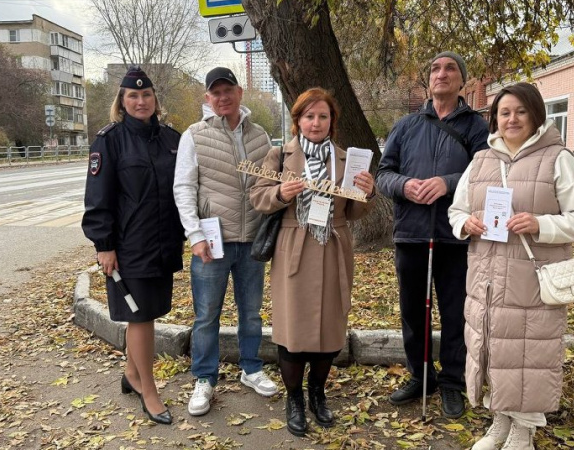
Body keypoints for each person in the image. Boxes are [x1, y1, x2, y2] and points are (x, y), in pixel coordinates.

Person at [448, 82, 574, 449]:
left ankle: (523, 431)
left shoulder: (558, 159)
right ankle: (499, 421)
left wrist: (540, 224)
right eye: (504, 112)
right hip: (486, 278)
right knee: (493, 349)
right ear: (494, 119)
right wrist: (466, 224)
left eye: (520, 111)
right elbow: (456, 210)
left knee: (528, 354)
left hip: (531, 279)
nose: (511, 119)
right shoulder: (481, 160)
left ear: (535, 114)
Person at [250, 88, 376, 437]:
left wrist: (367, 191)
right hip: (294, 244)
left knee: (330, 327)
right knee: (293, 327)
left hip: (334, 245)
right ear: (298, 121)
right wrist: (280, 193)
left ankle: (317, 394)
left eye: (323, 116)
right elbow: (258, 196)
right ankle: (294, 399)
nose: (316, 122)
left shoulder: (347, 159)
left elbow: (355, 211)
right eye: (309, 116)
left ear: (332, 121)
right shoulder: (279, 155)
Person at [375, 51, 489, 418]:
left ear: (462, 81)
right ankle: (421, 376)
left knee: (455, 312)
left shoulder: (476, 127)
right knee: (413, 312)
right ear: (428, 80)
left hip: (455, 234)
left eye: (450, 68)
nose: (441, 73)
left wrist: (447, 183)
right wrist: (404, 186)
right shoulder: (406, 125)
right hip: (410, 233)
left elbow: (485, 174)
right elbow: (383, 174)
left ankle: (453, 381)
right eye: (435, 69)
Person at [173, 67, 278, 417]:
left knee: (251, 313)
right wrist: (195, 235)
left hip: (251, 242)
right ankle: (204, 378)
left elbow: (269, 183)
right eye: (215, 92)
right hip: (211, 243)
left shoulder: (260, 135)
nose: (222, 97)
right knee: (206, 316)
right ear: (208, 98)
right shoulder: (194, 135)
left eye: (227, 90)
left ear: (239, 92)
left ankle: (251, 367)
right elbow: (184, 188)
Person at [82, 66, 183, 425]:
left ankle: (131, 374)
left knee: (149, 313)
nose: (141, 101)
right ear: (122, 102)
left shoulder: (172, 139)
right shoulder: (109, 140)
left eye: (146, 94)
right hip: (129, 247)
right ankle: (148, 391)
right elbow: (97, 198)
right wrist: (104, 245)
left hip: (164, 241)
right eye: (133, 96)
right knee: (140, 318)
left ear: (155, 98)